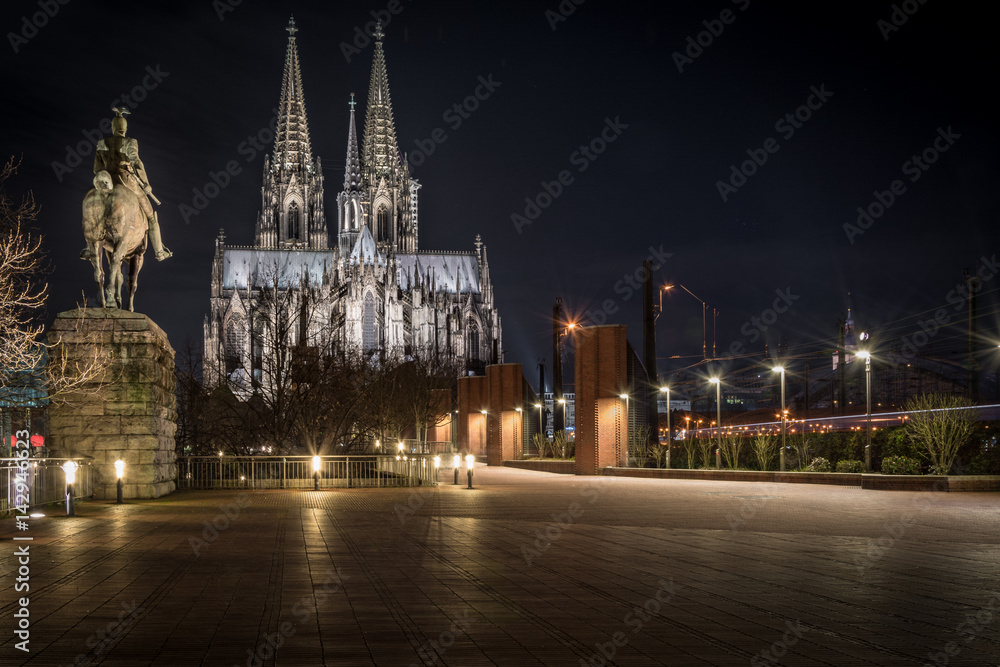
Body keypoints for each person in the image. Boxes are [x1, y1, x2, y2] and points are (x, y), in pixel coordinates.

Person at [82, 107, 172, 261]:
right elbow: (136, 162)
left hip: (107, 180)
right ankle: (159, 251)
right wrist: (145, 183)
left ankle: (89, 248)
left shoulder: (102, 143)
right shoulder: (130, 142)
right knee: (150, 217)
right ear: (124, 128)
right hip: (127, 181)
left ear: (113, 127)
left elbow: (96, 168)